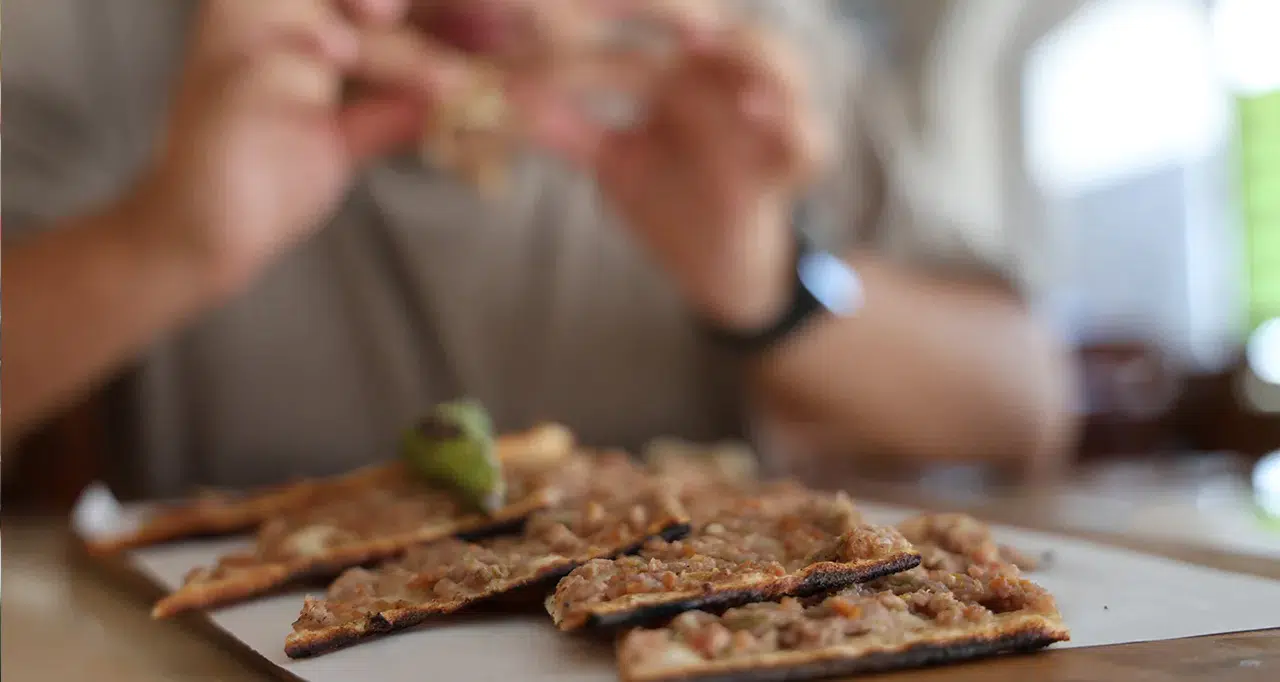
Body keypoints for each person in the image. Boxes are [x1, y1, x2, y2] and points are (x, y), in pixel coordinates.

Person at [1, 0, 1076, 498]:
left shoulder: (744, 54)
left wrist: (763, 280)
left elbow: (1025, 402)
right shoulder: (101, 41)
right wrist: (161, 244)